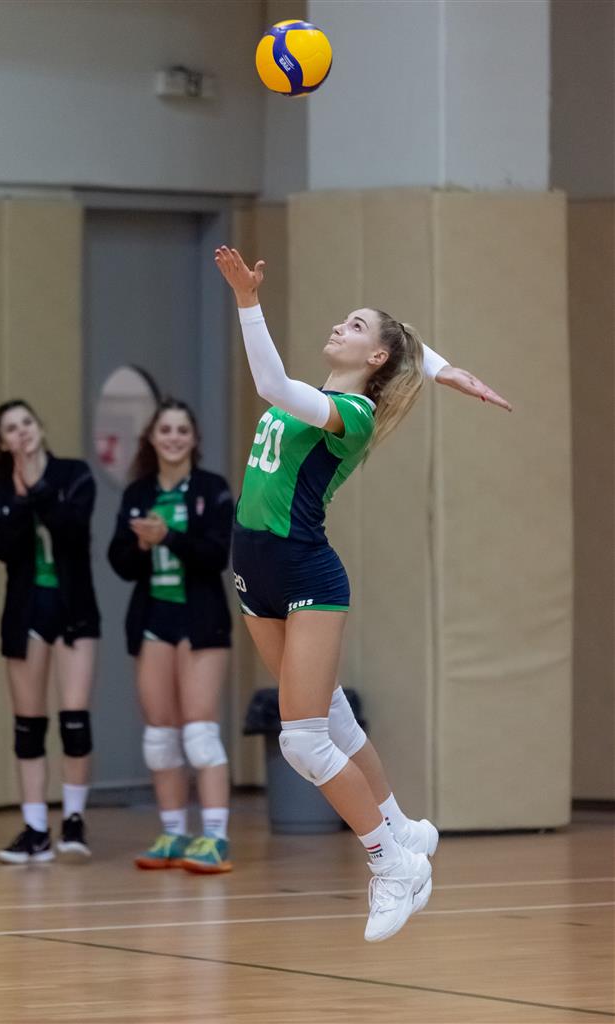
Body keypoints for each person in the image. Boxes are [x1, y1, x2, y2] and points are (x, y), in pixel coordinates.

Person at [215, 245, 511, 942]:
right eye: (345, 319)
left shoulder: (351, 413)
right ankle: (402, 827)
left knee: (303, 742)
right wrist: (440, 367)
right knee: (330, 718)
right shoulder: (337, 391)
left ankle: (390, 863)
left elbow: (272, 385)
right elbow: (399, 348)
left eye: (354, 326)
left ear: (373, 358)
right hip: (253, 569)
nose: (338, 326)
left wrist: (247, 301)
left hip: (305, 575)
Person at [108, 398, 234, 874]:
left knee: (200, 731)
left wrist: (169, 538)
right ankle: (174, 832)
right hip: (153, 617)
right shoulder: (137, 492)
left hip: (201, 620)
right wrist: (141, 545)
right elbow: (120, 563)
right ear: (151, 438)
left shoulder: (211, 488)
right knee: (160, 734)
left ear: (194, 438)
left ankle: (216, 837)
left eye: (183, 430)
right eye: (165, 430)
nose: (174, 438)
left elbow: (217, 555)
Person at [0, 400, 100, 864]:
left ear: (40, 427)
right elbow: (1, 546)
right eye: (10, 428)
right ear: (1, 442)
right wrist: (18, 497)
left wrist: (37, 487)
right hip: (26, 609)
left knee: (74, 719)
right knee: (28, 724)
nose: (22, 432)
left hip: (74, 608)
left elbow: (73, 529)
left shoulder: (74, 474)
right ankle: (34, 828)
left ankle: (73, 820)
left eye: (27, 422)